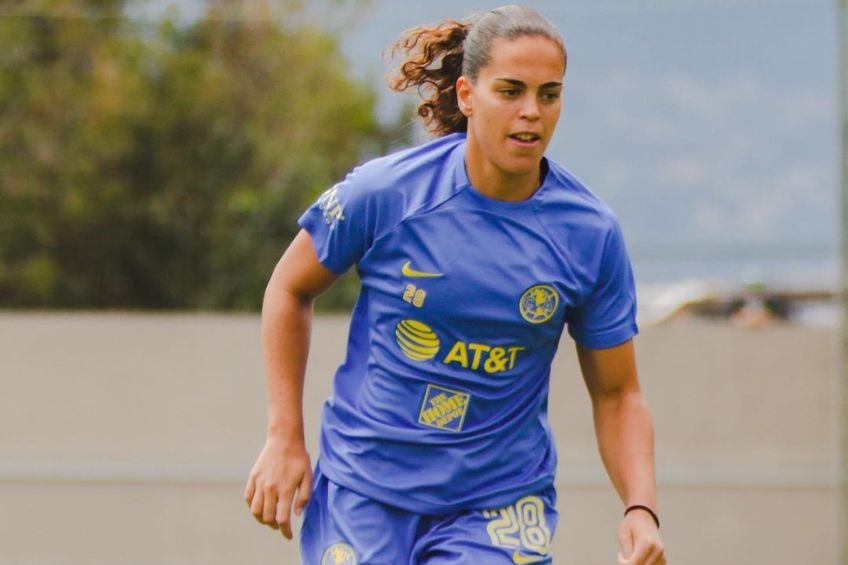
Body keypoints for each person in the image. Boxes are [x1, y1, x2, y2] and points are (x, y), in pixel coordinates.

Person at [245, 5, 665, 564]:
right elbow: (289, 288)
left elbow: (618, 394)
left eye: (549, 94)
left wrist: (640, 507)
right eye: (510, 91)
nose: (531, 113)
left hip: (497, 506)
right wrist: (283, 436)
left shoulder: (589, 234)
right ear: (467, 96)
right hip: (364, 491)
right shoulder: (387, 193)